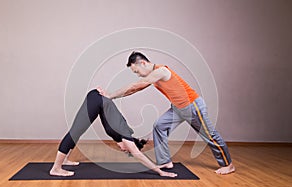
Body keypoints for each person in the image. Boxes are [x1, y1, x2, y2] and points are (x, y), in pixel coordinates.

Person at [98, 51, 235, 175]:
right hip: (177, 108)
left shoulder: (161, 71)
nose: (138, 74)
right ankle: (165, 161)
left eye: (137, 71)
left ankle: (228, 165)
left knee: (210, 136)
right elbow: (135, 89)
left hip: (192, 106)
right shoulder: (154, 76)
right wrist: (111, 96)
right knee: (159, 126)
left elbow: (135, 87)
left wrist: (110, 96)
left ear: (143, 63)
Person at [49, 89, 177, 177]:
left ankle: (64, 160)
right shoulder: (125, 134)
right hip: (96, 99)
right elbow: (139, 155)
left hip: (97, 99)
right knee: (75, 132)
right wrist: (159, 171)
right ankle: (56, 168)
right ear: (130, 144)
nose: (123, 150)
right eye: (127, 150)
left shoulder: (119, 136)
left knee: (77, 132)